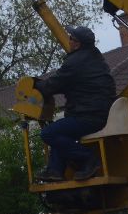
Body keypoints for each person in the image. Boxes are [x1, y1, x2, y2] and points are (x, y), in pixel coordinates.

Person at [33, 25, 117, 182]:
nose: (69, 40)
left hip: (89, 116)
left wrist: (34, 84)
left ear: (77, 44)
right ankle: (55, 170)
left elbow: (52, 85)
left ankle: (88, 158)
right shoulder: (96, 59)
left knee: (48, 133)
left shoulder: (75, 62)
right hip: (100, 113)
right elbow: (69, 83)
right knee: (61, 129)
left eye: (71, 38)